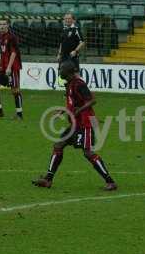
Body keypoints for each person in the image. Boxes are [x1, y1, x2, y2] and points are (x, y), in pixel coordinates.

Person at [32, 61, 117, 191]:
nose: (60, 72)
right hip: (75, 123)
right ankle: (48, 180)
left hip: (85, 123)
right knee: (58, 145)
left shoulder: (79, 84)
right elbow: (72, 103)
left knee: (88, 153)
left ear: (68, 72)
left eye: (62, 70)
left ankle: (110, 181)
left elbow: (92, 100)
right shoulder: (70, 84)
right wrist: (63, 111)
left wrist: (79, 110)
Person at [0, 18, 23, 120]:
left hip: (12, 67)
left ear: (8, 25)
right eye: (0, 24)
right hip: (2, 67)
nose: (2, 26)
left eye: (4, 24)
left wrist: (8, 68)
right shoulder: (0, 37)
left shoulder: (12, 37)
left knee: (15, 91)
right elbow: (3, 52)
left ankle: (19, 114)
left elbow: (13, 53)